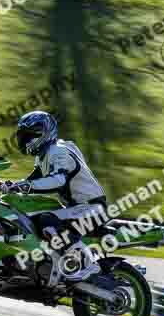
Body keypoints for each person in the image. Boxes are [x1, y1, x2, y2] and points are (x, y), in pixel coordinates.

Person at [8, 111, 109, 284]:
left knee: (46, 220)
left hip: (92, 209)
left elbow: (59, 180)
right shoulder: (46, 154)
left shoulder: (58, 151)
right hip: (77, 208)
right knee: (34, 216)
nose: (24, 140)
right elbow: (32, 181)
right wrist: (7, 186)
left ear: (44, 133)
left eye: (29, 135)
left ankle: (86, 265)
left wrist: (27, 186)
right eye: (23, 136)